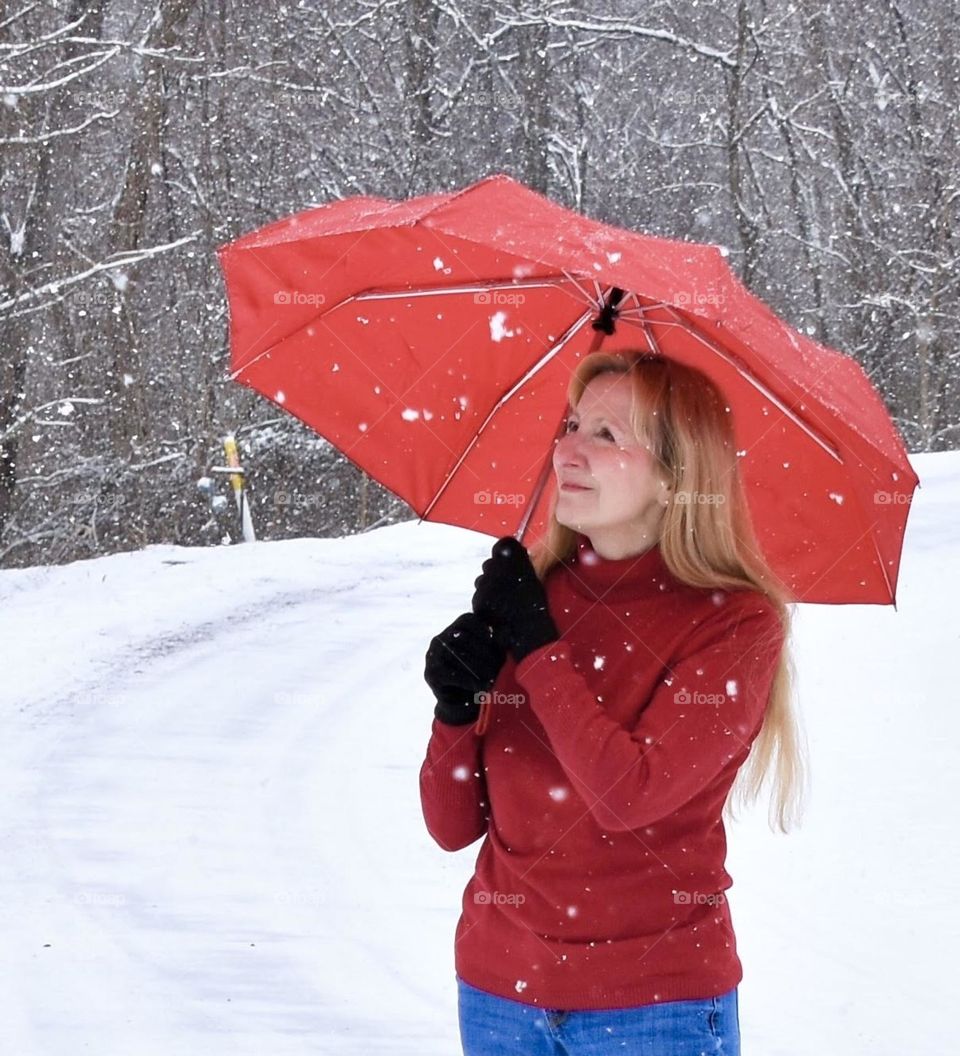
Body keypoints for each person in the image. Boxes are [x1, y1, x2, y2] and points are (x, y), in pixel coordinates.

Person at [420, 350, 806, 1056]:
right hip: (500, 995)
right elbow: (452, 826)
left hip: (655, 1010)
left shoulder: (736, 625)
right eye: (570, 424)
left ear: (673, 477)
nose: (567, 447)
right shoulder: (532, 592)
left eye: (605, 434)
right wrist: (452, 706)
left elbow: (628, 794)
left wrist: (537, 647)